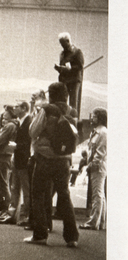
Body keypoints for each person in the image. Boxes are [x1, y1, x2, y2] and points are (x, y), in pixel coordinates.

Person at [24, 82, 79, 247]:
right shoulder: (72, 112)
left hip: (45, 157)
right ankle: (72, 237)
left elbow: (33, 131)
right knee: (64, 195)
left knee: (38, 193)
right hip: (64, 159)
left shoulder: (47, 109)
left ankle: (40, 234)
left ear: (52, 95)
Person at [0, 101, 32, 226]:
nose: (14, 108)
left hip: (24, 160)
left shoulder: (29, 121)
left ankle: (25, 216)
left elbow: (29, 142)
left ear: (24, 108)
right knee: (15, 188)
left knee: (25, 190)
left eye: (17, 106)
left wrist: (16, 145)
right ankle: (13, 215)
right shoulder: (20, 122)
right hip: (17, 159)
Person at [79, 107, 107, 231]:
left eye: (94, 116)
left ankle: (93, 222)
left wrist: (90, 165)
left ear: (100, 118)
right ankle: (100, 222)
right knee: (99, 194)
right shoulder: (97, 132)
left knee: (97, 194)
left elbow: (100, 153)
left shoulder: (102, 133)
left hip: (98, 167)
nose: (92, 118)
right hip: (96, 166)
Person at [0, 106, 18, 219]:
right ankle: (4, 208)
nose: (3, 118)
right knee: (1, 183)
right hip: (3, 155)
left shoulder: (10, 126)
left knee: (3, 183)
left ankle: (6, 208)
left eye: (5, 115)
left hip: (4, 156)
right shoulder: (11, 125)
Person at [54, 32, 84, 116]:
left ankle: (72, 120)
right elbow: (62, 67)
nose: (61, 45)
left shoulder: (77, 52)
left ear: (68, 41)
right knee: (62, 102)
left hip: (73, 81)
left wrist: (69, 69)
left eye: (62, 43)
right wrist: (59, 68)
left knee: (72, 103)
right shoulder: (62, 54)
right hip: (63, 81)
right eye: (60, 43)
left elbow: (80, 66)